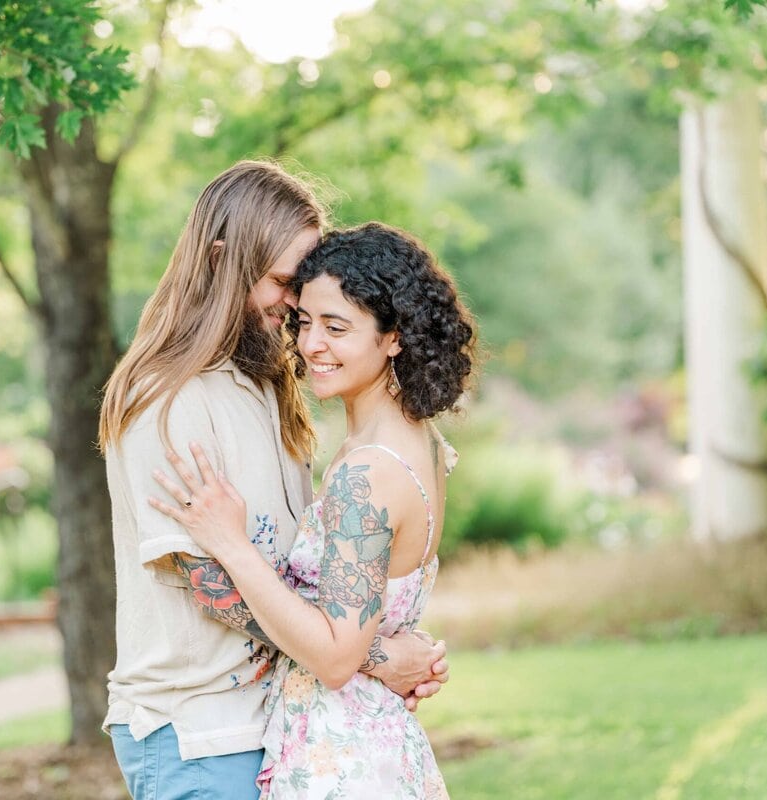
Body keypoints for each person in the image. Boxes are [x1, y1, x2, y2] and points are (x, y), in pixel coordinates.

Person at [98, 164, 450, 800]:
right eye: (285, 283)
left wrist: (363, 645)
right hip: (201, 731)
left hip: (275, 723)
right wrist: (376, 657)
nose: (296, 307)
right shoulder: (167, 401)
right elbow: (210, 584)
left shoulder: (265, 381)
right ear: (222, 261)